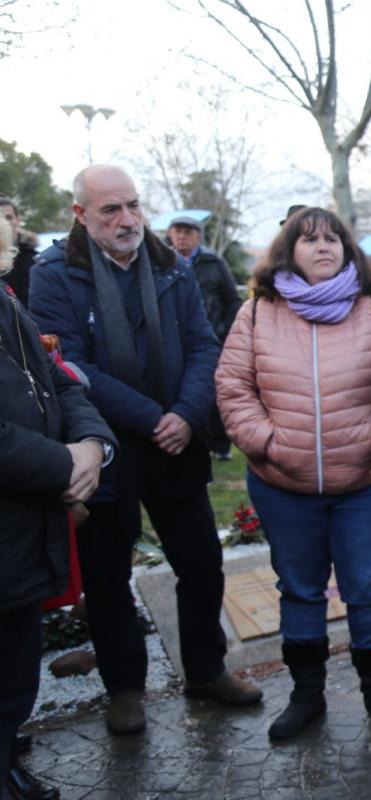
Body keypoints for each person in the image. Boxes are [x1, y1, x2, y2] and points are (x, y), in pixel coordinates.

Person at [28, 165, 261, 737]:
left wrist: (186, 413)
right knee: (108, 576)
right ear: (80, 214)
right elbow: (70, 364)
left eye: (133, 205)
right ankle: (125, 688)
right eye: (111, 209)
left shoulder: (171, 266)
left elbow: (204, 345)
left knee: (201, 564)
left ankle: (206, 671)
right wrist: (153, 418)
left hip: (177, 441)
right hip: (103, 447)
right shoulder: (54, 274)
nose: (127, 219)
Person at [215, 207, 371, 741]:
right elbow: (233, 387)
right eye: (309, 240)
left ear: (347, 249)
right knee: (299, 590)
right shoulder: (258, 312)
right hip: (284, 485)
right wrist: (267, 442)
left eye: (332, 239)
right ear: (288, 252)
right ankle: (306, 695)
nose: (323, 247)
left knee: (368, 588)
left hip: (364, 485)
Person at [1, 215, 115, 800]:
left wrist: (93, 445)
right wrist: (62, 466)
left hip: (21, 537)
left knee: (14, 675)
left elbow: (60, 381)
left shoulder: (6, 298)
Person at [165, 216, 241, 461]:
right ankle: (188, 443)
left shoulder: (214, 263)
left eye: (188, 232)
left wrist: (226, 332)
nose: (182, 237)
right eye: (178, 231)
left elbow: (232, 300)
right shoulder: (162, 262)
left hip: (211, 339)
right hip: (174, 340)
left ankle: (220, 444)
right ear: (170, 234)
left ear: (198, 236)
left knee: (214, 391)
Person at [0, 199, 40, 307]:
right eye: (0, 218)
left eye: (8, 217)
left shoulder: (35, 260)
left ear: (18, 220)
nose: (5, 223)